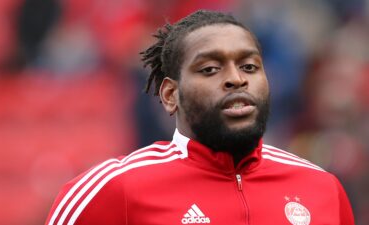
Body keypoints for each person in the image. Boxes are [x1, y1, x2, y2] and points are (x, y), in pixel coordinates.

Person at [45, 10, 354, 225]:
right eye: (210, 69)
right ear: (170, 95)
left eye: (249, 66)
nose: (236, 79)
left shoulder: (322, 188)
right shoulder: (114, 189)